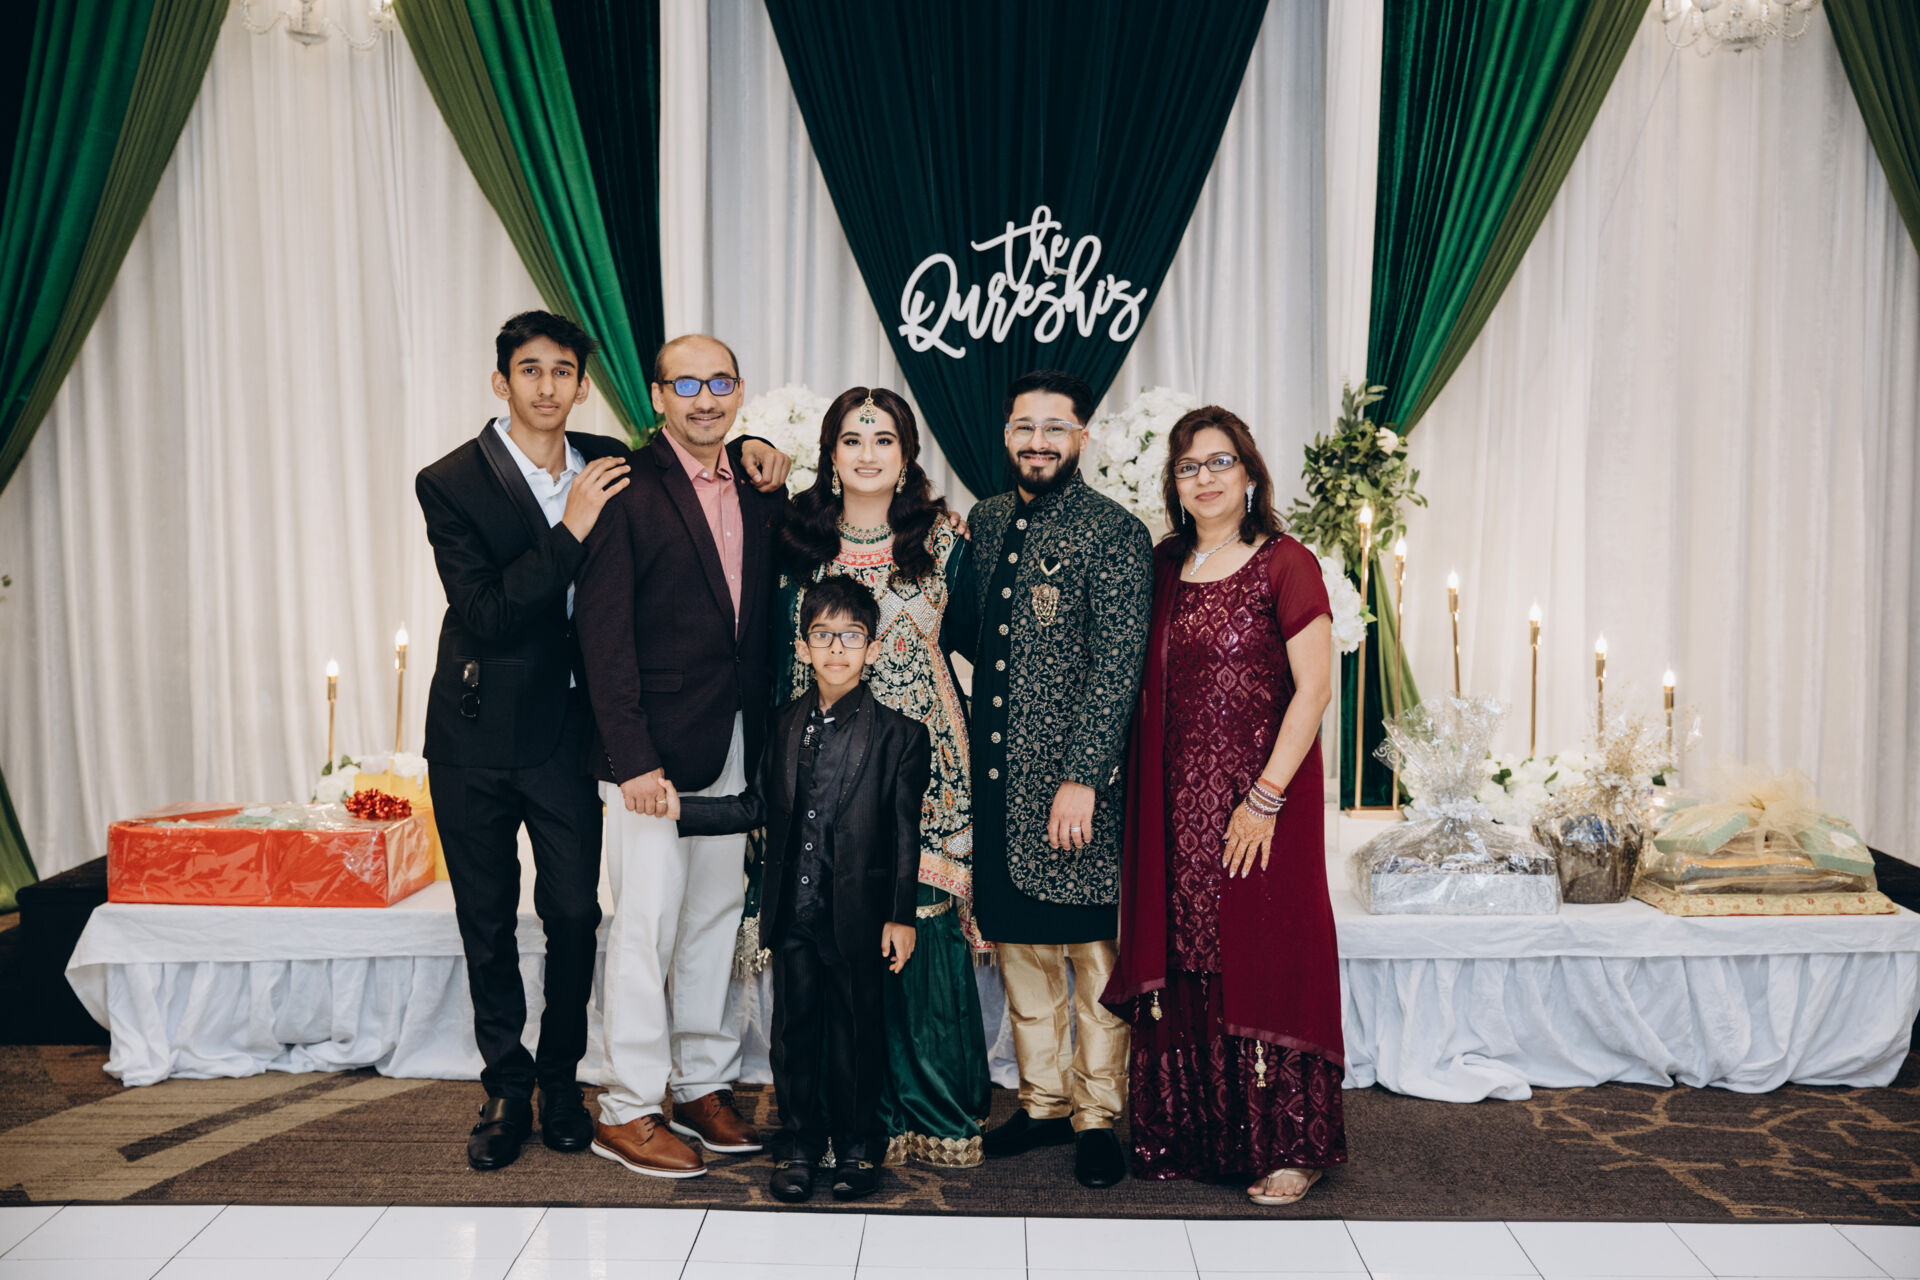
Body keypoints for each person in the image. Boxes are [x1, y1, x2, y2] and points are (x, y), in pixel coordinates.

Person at [1102, 406, 1346, 1206]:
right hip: (1172, 808)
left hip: (1261, 805)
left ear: (1248, 473)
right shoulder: (1163, 565)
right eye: (1188, 466)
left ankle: (1289, 1144)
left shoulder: (1285, 563)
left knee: (1267, 952)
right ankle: (1193, 1132)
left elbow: (1315, 689)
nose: (1204, 478)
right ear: (1173, 485)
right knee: (1189, 953)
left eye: (1219, 462)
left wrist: (1264, 798)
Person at [574, 334, 792, 1179]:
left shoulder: (759, 486)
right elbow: (602, 635)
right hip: (651, 757)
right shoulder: (625, 490)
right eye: (687, 384)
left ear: (739, 391)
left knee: (714, 915)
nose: (706, 398)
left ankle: (702, 1082)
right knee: (645, 924)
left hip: (736, 739)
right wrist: (631, 759)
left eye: (721, 382)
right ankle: (627, 1104)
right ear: (657, 396)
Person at [763, 386, 991, 1168]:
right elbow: (775, 656)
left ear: (907, 455)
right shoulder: (797, 539)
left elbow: (978, 644)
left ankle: (931, 1108)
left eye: (884, 439)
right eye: (853, 439)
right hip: (823, 769)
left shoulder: (944, 541)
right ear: (830, 453)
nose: (868, 453)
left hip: (929, 769)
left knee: (916, 925)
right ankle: (845, 1117)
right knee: (833, 931)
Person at [947, 369, 1153, 1189]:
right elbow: (965, 631)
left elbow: (1118, 667)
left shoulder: (1115, 532)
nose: (1038, 441)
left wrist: (1083, 777)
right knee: (1023, 948)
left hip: (1076, 783)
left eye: (1055, 427)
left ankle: (1097, 1114)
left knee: (1093, 955)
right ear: (1007, 436)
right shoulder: (989, 519)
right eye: (1024, 427)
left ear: (1082, 437)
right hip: (1001, 779)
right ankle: (1042, 1102)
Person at [671, 575, 930, 1202]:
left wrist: (901, 916)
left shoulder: (900, 735)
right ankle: (800, 1143)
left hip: (860, 917)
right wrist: (679, 809)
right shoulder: (783, 723)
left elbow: (904, 834)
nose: (836, 648)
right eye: (823, 635)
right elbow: (756, 805)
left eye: (851, 636)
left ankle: (858, 1147)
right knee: (793, 1036)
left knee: (856, 1034)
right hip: (794, 912)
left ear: (873, 648)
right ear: (802, 646)